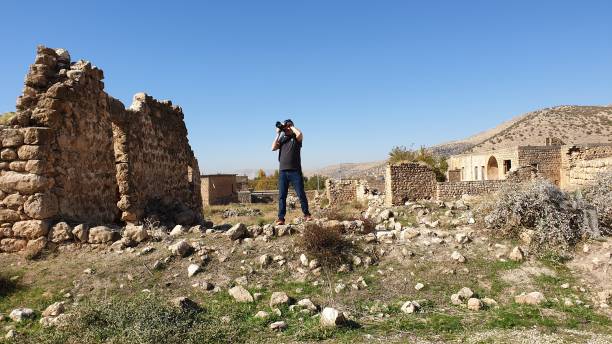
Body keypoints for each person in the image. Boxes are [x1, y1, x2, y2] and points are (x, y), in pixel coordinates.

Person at [271, 119, 312, 225]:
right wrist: (279, 133)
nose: (287, 128)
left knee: (301, 194)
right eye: (286, 126)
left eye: (288, 126)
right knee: (281, 196)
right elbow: (273, 148)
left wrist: (291, 126)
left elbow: (300, 134)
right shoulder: (283, 138)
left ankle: (307, 215)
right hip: (283, 172)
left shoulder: (296, 138)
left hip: (295, 171)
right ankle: (281, 219)